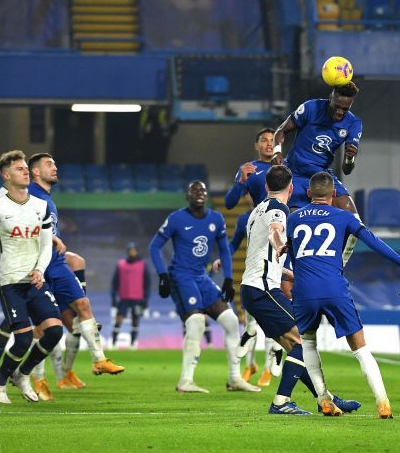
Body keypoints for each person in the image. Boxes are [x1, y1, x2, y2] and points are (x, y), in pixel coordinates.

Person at [283, 172, 400, 418]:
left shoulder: (293, 218)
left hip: (305, 290)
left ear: (308, 193)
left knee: (308, 343)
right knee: (360, 348)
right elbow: (372, 241)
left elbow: (284, 249)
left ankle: (324, 400)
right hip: (334, 288)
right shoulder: (343, 216)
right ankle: (383, 403)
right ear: (332, 195)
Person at [239, 165, 361, 414]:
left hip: (253, 288)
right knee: (302, 343)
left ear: (265, 186)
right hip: (264, 290)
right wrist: (283, 246)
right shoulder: (278, 210)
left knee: (296, 348)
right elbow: (275, 234)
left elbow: (261, 256)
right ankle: (281, 401)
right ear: (292, 187)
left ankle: (325, 398)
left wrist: (289, 272)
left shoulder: (255, 211)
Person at [149, 180, 259, 393]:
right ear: (188, 196)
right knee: (197, 322)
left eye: (203, 190)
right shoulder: (176, 218)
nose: (199, 193)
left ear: (207, 196)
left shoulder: (216, 218)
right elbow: (154, 246)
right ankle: (185, 381)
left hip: (201, 277)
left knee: (230, 321)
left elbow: (225, 250)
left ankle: (234, 379)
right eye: (194, 190)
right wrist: (162, 275)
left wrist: (228, 278)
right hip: (181, 277)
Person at [0, 150, 64, 404]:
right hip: (10, 282)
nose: (26, 171)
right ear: (6, 175)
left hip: (36, 280)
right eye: (19, 169)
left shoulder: (41, 206)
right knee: (24, 338)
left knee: (54, 332)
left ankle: (22, 374)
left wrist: (40, 269)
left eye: (26, 168)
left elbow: (46, 245)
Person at [272, 83, 363, 265]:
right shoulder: (311, 107)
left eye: (345, 109)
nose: (339, 113)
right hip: (295, 174)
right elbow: (281, 131)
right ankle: (291, 272)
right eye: (336, 107)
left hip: (322, 177)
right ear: (330, 98)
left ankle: (338, 268)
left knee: (355, 224)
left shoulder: (354, 123)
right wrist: (276, 151)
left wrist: (350, 159)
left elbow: (347, 170)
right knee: (294, 227)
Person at [223, 128, 280, 386]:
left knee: (277, 295)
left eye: (273, 140)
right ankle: (257, 361)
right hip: (261, 232)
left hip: (282, 227)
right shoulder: (249, 168)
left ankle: (270, 362)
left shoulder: (287, 165)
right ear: (257, 145)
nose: (269, 144)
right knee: (257, 296)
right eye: (264, 141)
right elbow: (229, 202)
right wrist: (240, 182)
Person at [111, 242, 150, 350]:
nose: (132, 252)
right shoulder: (121, 264)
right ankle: (113, 343)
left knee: (135, 320)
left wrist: (146, 300)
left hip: (137, 299)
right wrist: (113, 298)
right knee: (119, 320)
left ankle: (132, 344)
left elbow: (147, 284)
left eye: (134, 250)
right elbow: (115, 283)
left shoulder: (142, 265)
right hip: (124, 298)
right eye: (130, 250)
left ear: (137, 251)